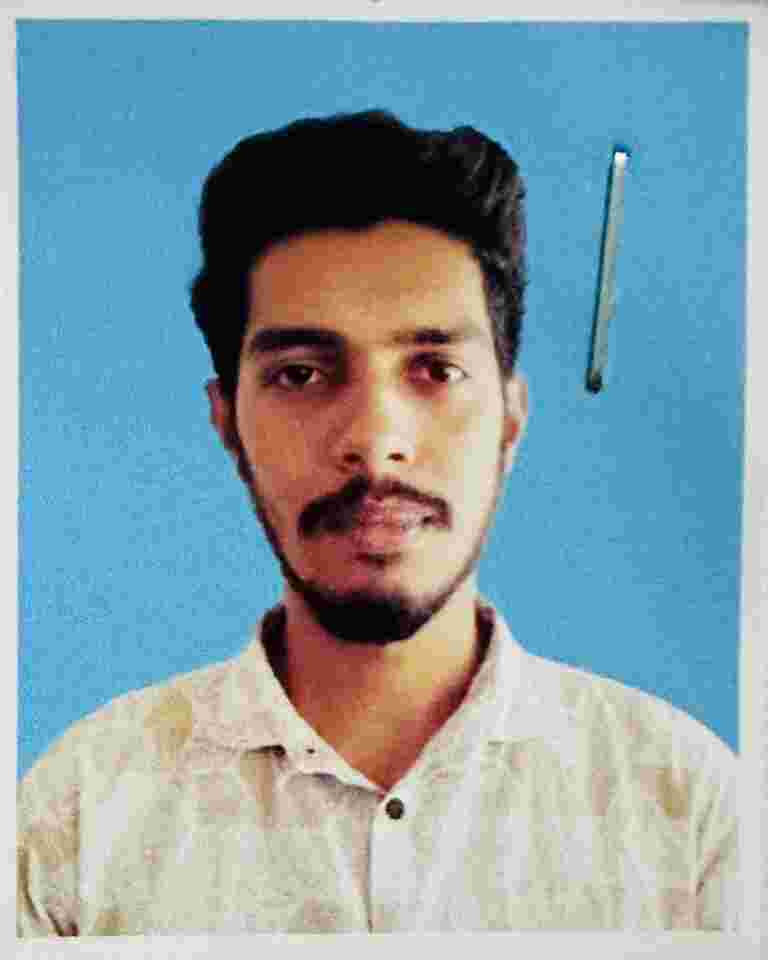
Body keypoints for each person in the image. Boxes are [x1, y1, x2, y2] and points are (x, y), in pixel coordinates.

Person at [17, 110, 739, 935]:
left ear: (510, 419)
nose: (374, 439)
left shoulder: (690, 817)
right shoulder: (74, 824)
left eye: (434, 369)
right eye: (301, 374)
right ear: (227, 422)